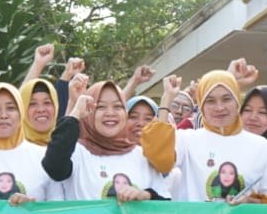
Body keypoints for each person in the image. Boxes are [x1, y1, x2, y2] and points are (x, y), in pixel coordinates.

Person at [148, 65, 267, 203]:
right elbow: (159, 162)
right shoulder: (186, 140)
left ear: (238, 102)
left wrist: (251, 201)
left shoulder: (261, 146)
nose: (219, 107)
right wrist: (166, 98)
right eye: (210, 101)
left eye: (226, 99)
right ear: (201, 106)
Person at [43, 83, 173, 201]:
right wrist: (76, 112)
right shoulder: (76, 153)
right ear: (88, 112)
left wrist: (146, 195)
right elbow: (53, 167)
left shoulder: (142, 155)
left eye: (117, 106)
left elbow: (165, 203)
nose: (110, 113)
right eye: (100, 107)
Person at [0, 82, 52, 201]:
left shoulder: (44, 157)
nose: (4, 115)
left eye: (11, 108)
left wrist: (32, 206)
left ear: (21, 112)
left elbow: (56, 208)